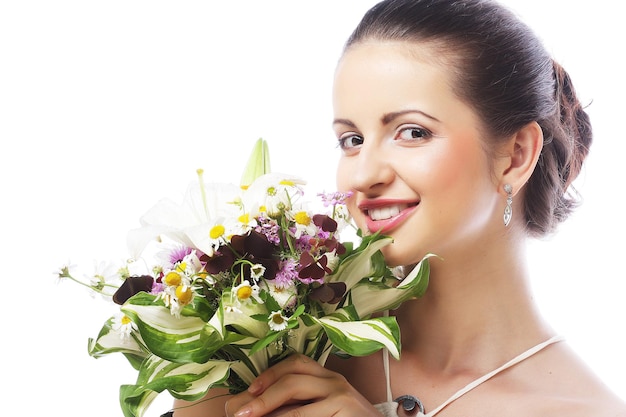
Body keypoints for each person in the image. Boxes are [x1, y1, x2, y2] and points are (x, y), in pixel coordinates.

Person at [171, 0, 626, 416]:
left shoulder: (582, 409)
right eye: (352, 140)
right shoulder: (265, 346)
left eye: (412, 132)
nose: (363, 175)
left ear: (517, 155)